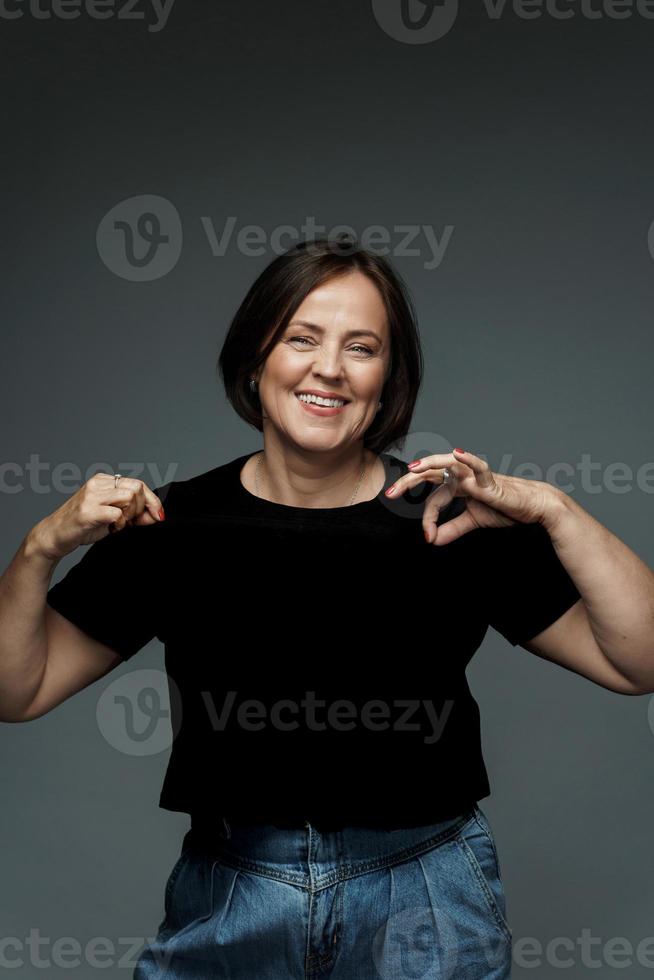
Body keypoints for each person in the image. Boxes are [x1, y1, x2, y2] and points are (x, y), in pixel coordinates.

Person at [2, 237, 653, 980]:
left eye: (362, 347)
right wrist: (37, 550)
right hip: (233, 890)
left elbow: (641, 661)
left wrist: (555, 510)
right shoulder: (173, 525)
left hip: (426, 898)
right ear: (256, 357)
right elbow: (16, 690)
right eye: (301, 338)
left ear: (388, 377)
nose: (330, 369)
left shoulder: (447, 516)